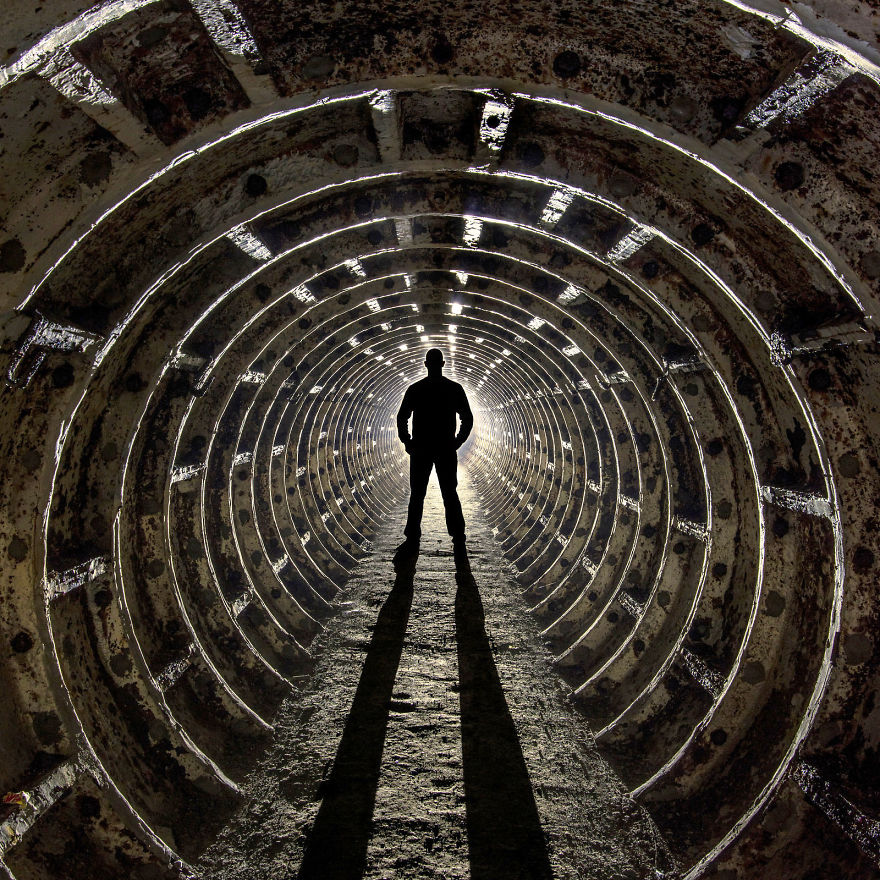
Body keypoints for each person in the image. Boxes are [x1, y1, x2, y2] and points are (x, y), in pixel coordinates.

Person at [396, 348, 473, 554]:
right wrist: (458, 441)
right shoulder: (454, 389)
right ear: (443, 364)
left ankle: (412, 536)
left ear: (426, 364)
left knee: (417, 494)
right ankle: (458, 536)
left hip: (421, 448)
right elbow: (467, 418)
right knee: (449, 493)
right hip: (445, 448)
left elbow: (402, 417)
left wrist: (407, 441)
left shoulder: (415, 389)